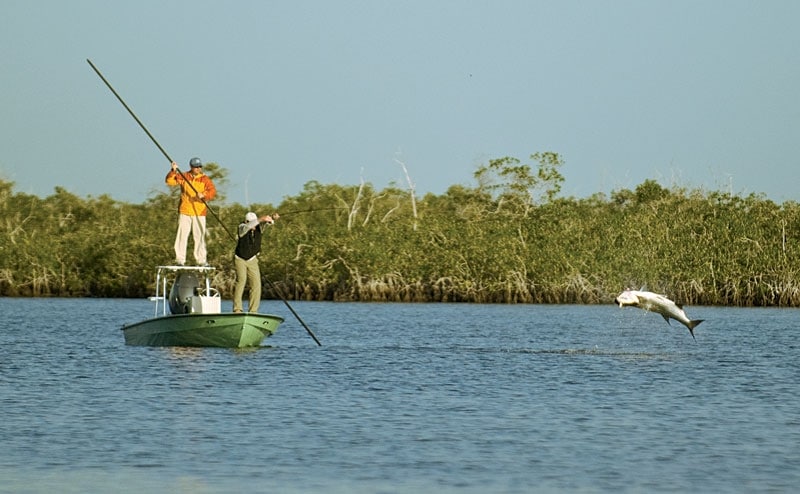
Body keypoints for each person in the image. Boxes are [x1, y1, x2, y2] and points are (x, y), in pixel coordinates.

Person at [165, 157, 217, 266]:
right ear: (191, 167)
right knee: (182, 236)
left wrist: (204, 195)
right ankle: (180, 260)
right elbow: (169, 181)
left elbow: (212, 192)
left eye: (199, 167)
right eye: (196, 167)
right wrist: (173, 170)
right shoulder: (184, 176)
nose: (198, 169)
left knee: (199, 237)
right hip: (185, 211)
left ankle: (201, 260)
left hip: (199, 212)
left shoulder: (205, 179)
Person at [233, 211, 278, 313]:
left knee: (256, 284)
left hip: (252, 259)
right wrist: (261, 219)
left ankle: (253, 310)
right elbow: (250, 225)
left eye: (255, 223)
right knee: (241, 281)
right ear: (246, 221)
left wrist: (272, 218)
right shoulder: (242, 227)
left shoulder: (259, 227)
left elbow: (267, 223)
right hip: (240, 258)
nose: (254, 226)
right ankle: (237, 308)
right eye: (251, 222)